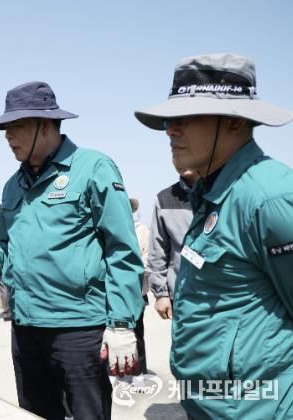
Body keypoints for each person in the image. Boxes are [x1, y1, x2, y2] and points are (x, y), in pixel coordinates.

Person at [0, 81, 144, 420]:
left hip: (78, 327)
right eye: (5, 128)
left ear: (45, 125)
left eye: (16, 126)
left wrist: (121, 323)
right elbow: (7, 247)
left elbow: (121, 250)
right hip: (26, 327)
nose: (7, 136)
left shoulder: (92, 168)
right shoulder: (13, 186)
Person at [135, 53, 293, 418]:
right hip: (210, 404)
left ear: (234, 121)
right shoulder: (212, 193)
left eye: (186, 118)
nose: (170, 130)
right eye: (169, 120)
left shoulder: (270, 197)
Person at [146, 162, 199, 320]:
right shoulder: (164, 199)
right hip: (182, 297)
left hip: (222, 296)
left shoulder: (226, 192)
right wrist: (161, 294)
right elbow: (157, 250)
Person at [130, 197, 149, 375]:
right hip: (111, 291)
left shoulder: (141, 230)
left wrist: (128, 270)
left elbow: (148, 257)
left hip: (136, 290)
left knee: (137, 333)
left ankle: (139, 373)